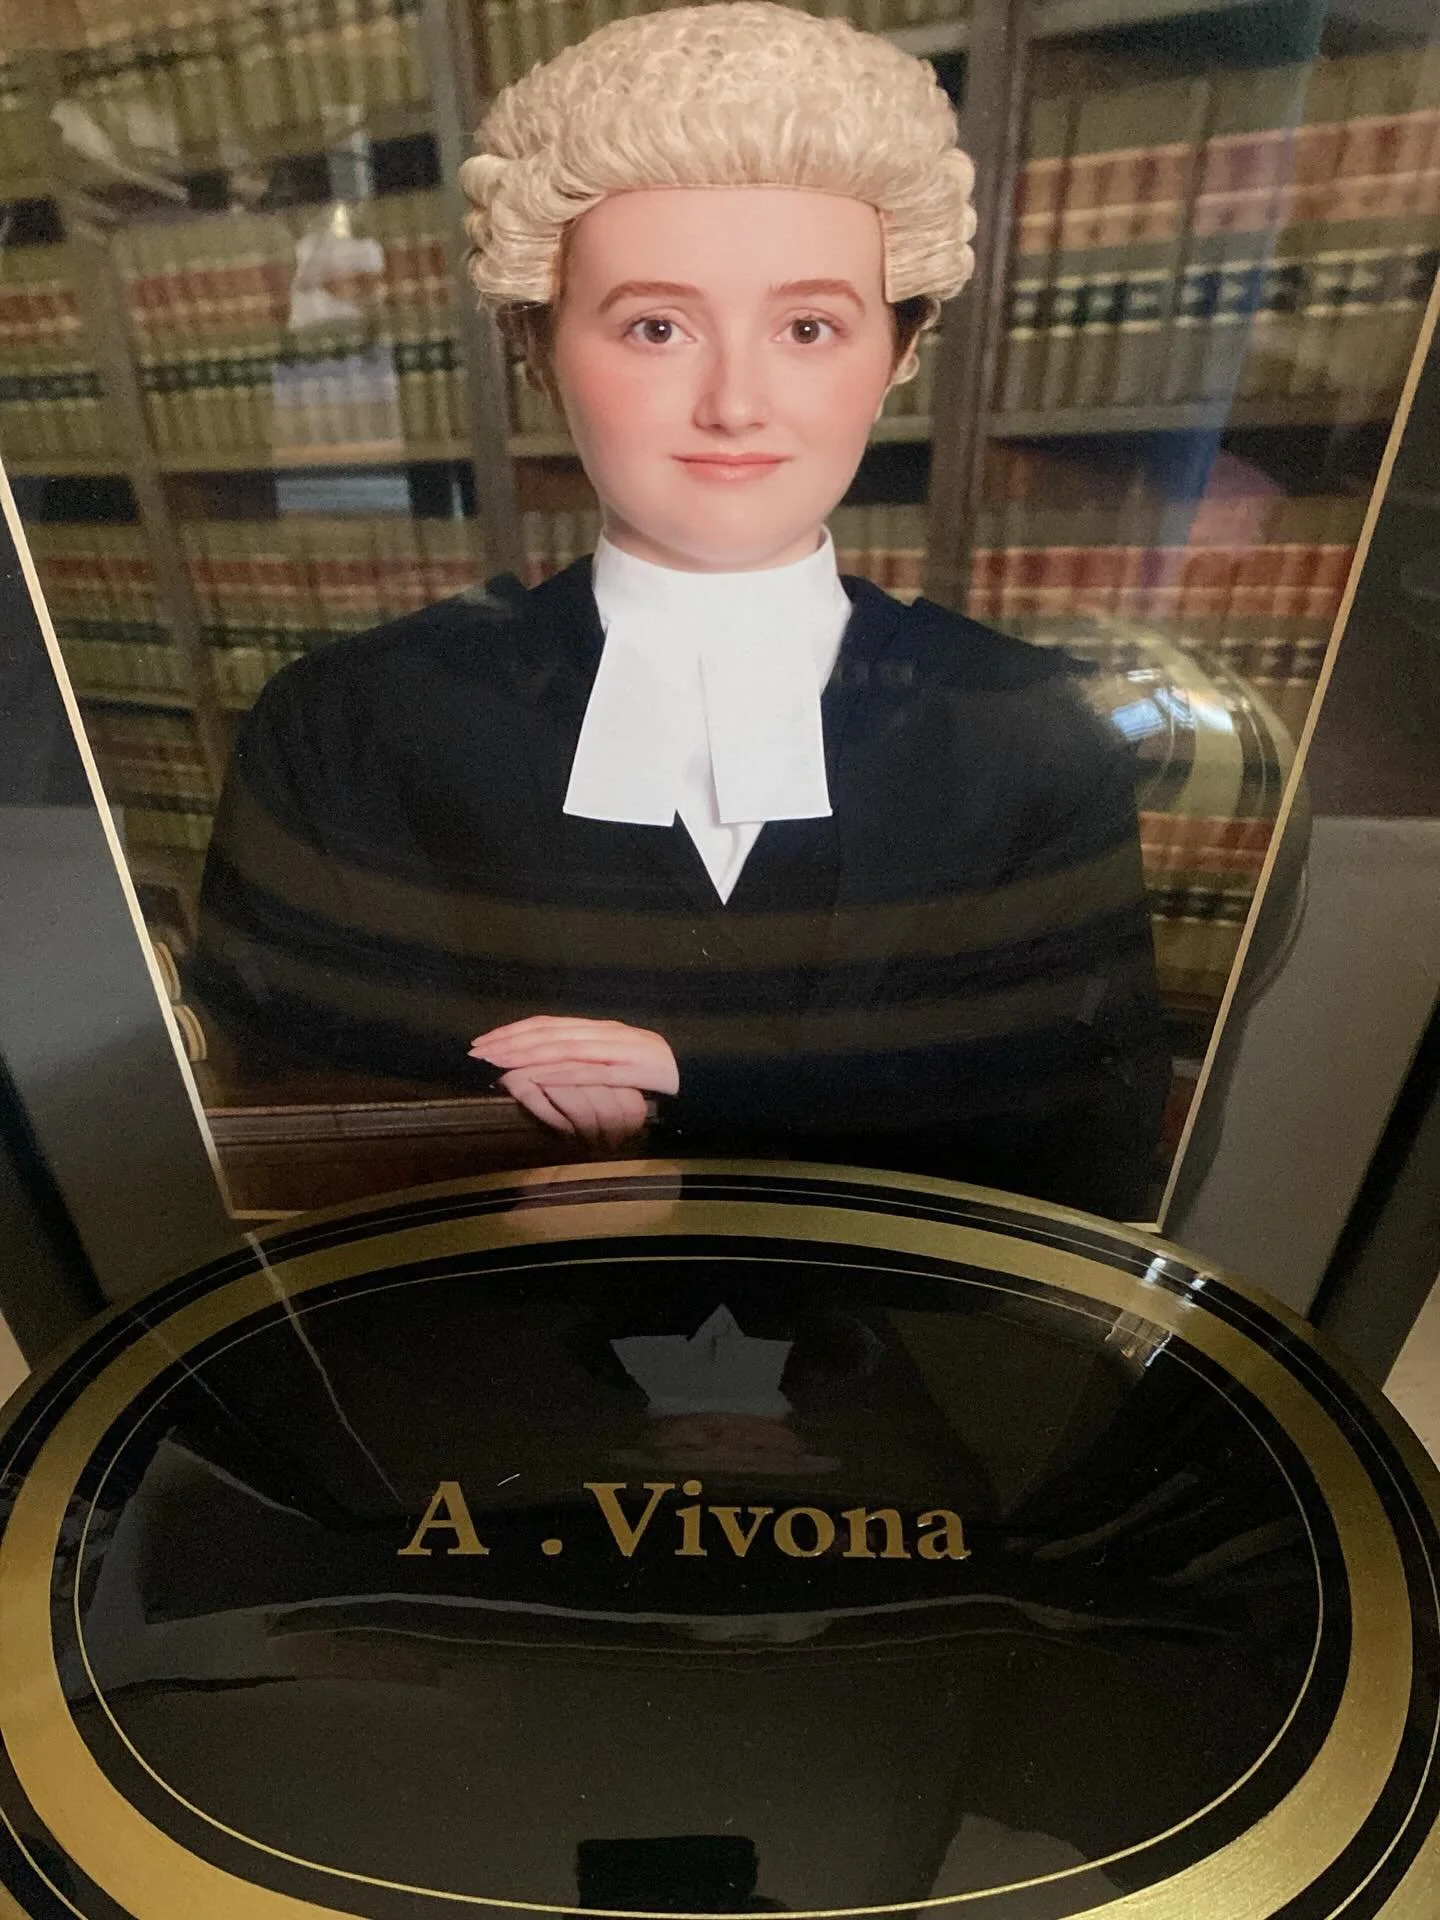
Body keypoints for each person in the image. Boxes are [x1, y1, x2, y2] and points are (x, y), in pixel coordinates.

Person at [191, 1, 1169, 1218]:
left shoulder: (1032, 729)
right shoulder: (346, 724)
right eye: (656, 327)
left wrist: (693, 1084)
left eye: (808, 327)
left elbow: (1093, 1140)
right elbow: (271, 1125)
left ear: (900, 351)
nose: (734, 402)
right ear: (537, 344)